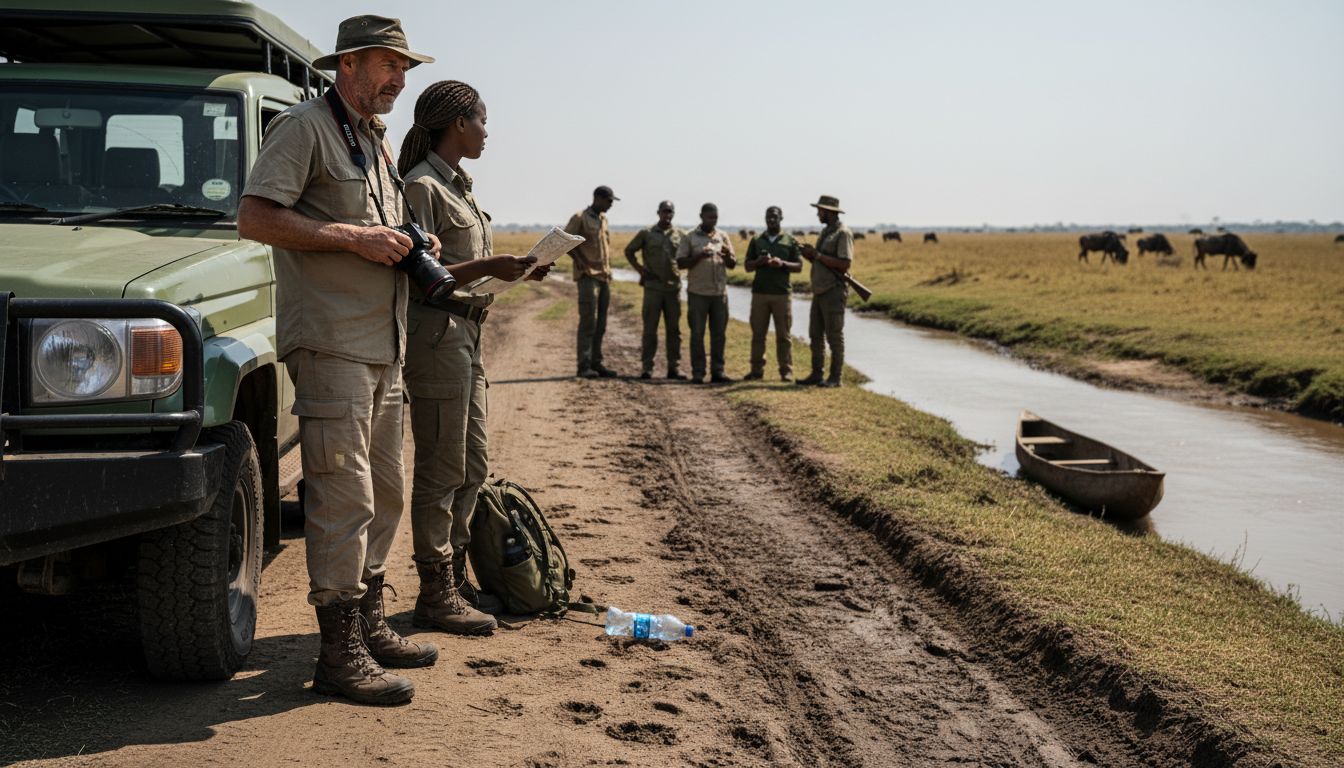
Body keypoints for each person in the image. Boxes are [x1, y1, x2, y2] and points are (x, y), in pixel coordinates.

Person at [237, 15, 437, 706]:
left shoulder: (374, 141)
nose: (401, 80)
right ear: (348, 63)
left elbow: (374, 229)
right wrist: (351, 236)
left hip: (382, 343)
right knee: (343, 497)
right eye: (390, 64)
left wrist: (409, 240)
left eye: (406, 69)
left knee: (385, 492)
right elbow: (256, 217)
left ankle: (370, 621)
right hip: (330, 342)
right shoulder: (304, 127)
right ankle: (338, 652)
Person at [397, 81, 550, 635]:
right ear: (458, 123)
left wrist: (516, 269)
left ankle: (455, 580)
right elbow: (414, 275)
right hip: (437, 335)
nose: (487, 132)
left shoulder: (458, 187)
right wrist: (490, 265)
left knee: (473, 464)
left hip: (467, 335)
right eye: (482, 121)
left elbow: (465, 266)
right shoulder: (421, 189)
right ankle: (435, 592)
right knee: (441, 467)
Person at [675, 203, 736, 384]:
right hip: (698, 293)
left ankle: (718, 371)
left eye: (715, 217)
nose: (713, 220)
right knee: (697, 334)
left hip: (719, 294)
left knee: (719, 334)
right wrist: (699, 256)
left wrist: (726, 255)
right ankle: (698, 372)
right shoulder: (690, 237)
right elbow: (680, 263)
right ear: (701, 216)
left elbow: (732, 264)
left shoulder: (722, 236)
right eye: (710, 217)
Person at [623, 200, 685, 379]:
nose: (667, 215)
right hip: (653, 289)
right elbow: (629, 251)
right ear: (658, 212)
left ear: (673, 213)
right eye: (664, 211)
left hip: (673, 289)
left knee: (674, 331)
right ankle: (647, 367)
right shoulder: (647, 233)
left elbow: (685, 256)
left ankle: (674, 367)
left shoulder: (680, 234)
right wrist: (641, 270)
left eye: (670, 212)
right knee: (650, 329)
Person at [799, 195, 854, 388]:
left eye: (820, 211)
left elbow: (844, 264)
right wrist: (810, 255)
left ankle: (835, 378)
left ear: (830, 212)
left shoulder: (842, 233)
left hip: (833, 290)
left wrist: (818, 255)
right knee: (815, 334)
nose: (817, 214)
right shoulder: (826, 232)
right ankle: (816, 374)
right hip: (820, 290)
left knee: (834, 336)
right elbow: (820, 261)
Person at [743, 206, 802, 382]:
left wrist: (782, 263)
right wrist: (758, 262)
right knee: (758, 334)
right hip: (760, 293)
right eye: (768, 217)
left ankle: (786, 371)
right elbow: (747, 266)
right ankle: (756, 371)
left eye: (775, 217)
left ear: (781, 218)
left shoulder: (789, 240)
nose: (771, 220)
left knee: (783, 335)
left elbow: (799, 266)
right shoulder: (757, 240)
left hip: (782, 294)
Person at [564, 187, 618, 378]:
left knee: (601, 324)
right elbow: (566, 241)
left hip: (604, 276)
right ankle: (584, 366)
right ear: (598, 198)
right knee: (589, 322)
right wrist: (580, 261)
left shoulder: (603, 219)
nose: (611, 205)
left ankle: (597, 363)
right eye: (609, 201)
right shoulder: (580, 217)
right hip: (588, 277)